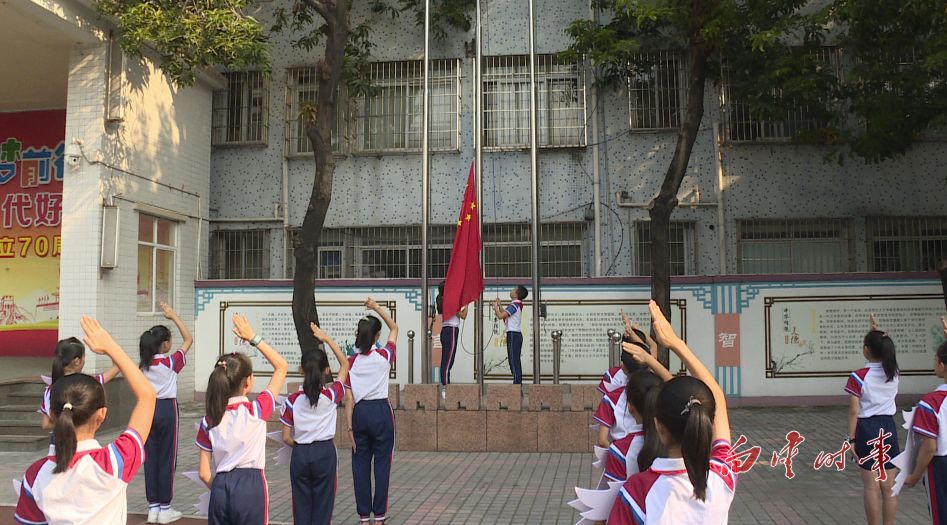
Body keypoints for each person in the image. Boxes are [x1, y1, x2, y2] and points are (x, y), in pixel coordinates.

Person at [15, 317, 157, 525]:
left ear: (54, 414)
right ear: (101, 415)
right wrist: (110, 346)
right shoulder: (114, 462)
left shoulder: (34, 475)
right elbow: (147, 396)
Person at [609, 301, 736, 525]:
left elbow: (716, 401)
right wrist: (676, 344)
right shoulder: (721, 478)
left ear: (658, 426)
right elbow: (717, 398)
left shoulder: (636, 492)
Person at [196, 314, 288, 525]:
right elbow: (281, 366)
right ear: (247, 383)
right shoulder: (256, 410)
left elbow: (203, 473)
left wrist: (221, 488)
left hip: (220, 485)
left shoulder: (209, 420)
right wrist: (252, 337)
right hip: (250, 486)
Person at [281, 323, 351, 525]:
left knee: (301, 507)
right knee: (323, 506)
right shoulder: (331, 395)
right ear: (326, 370)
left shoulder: (292, 400)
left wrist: (301, 446)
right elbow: (345, 364)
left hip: (301, 454)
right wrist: (326, 338)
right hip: (324, 452)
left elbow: (286, 437)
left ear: (301, 369)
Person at [344, 297, 398, 524]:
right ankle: (380, 515)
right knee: (382, 464)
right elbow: (395, 327)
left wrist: (349, 429)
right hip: (381, 412)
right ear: (376, 337)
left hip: (359, 414)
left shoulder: (350, 362)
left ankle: (364, 516)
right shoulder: (384, 356)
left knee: (360, 466)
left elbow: (348, 398)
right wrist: (376, 307)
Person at [139, 301, 193, 524]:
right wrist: (173, 316)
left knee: (150, 458)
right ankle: (165, 508)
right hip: (167, 409)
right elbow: (189, 339)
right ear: (165, 345)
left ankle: (153, 508)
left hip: (147, 409)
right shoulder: (171, 362)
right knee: (167, 457)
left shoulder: (143, 364)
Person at [845, 313, 900, 525]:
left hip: (867, 427)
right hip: (888, 427)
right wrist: (875, 331)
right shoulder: (894, 372)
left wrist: (851, 438)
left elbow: (853, 410)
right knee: (889, 486)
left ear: (867, 350)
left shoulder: (858, 376)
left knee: (871, 486)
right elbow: (883, 349)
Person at [603, 346, 674, 483]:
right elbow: (678, 389)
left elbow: (615, 498)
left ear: (630, 407)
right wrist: (649, 359)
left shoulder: (619, 450)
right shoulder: (677, 439)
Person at [904, 316, 947, 524]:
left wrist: (914, 475)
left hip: (941, 465)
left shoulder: (931, 403)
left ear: (941, 364)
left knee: (941, 514)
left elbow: (929, 446)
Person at [40, 337, 120, 430]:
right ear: (77, 361)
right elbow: (117, 366)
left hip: (57, 442)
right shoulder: (86, 384)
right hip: (81, 439)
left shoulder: (50, 389)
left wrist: (65, 424)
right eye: (84, 357)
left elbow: (45, 424)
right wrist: (107, 349)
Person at [595, 331, 651, 448]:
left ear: (624, 366)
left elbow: (602, 440)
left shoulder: (612, 397)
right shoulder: (656, 390)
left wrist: (615, 452)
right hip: (650, 451)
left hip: (620, 451)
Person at [432, 282, 467, 387]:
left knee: (445, 360)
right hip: (451, 330)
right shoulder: (449, 301)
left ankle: (445, 384)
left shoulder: (441, 300)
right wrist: (467, 304)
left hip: (446, 330)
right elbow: (463, 315)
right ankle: (445, 386)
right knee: (448, 361)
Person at [493, 285, 527, 384]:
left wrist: (495, 307)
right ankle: (517, 381)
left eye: (513, 290)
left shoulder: (514, 306)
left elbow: (500, 316)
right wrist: (499, 306)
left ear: (516, 294)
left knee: (513, 360)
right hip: (515, 334)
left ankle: (517, 383)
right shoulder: (515, 305)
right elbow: (505, 313)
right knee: (514, 359)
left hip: (513, 334)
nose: (511, 290)